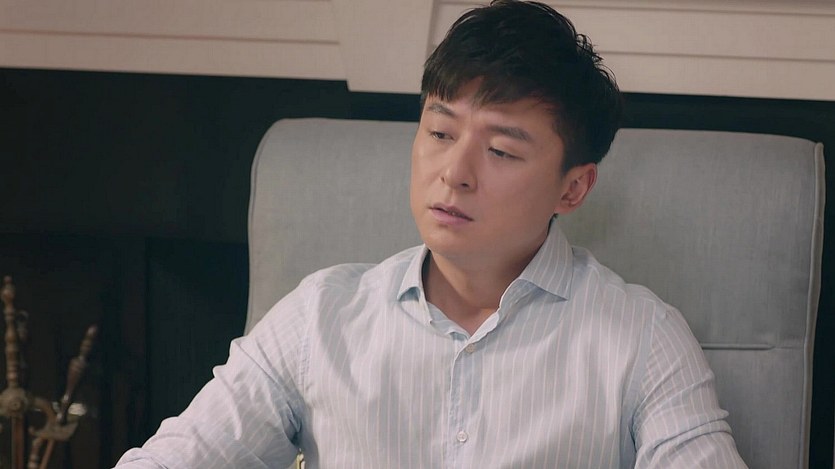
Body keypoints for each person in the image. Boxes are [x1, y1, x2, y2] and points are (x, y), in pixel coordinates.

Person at [115, 1, 747, 467]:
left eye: (501, 151)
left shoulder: (641, 339)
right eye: (440, 133)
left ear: (573, 188)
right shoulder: (320, 318)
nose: (455, 173)